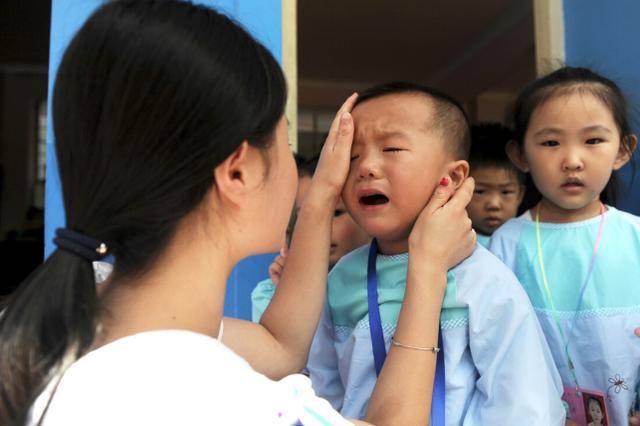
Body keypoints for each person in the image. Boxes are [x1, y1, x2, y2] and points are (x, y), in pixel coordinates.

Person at [0, 2, 476, 425]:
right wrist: (427, 267)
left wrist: (318, 202)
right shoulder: (226, 401)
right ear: (239, 173)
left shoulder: (79, 310)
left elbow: (280, 347)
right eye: (287, 144)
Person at [306, 81, 565, 425]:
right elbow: (324, 384)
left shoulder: (482, 277)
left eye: (392, 149)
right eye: (352, 155)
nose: (366, 166)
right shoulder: (342, 278)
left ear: (453, 176)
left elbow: (524, 400)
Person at [489, 66, 640, 426]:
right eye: (551, 142)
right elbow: (493, 348)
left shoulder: (635, 236)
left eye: (593, 141)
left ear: (623, 150)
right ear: (520, 155)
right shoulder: (506, 244)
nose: (572, 160)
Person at [252, 156, 370, 322]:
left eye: (336, 213)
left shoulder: (390, 287)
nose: (320, 226)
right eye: (306, 215)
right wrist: (291, 294)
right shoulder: (270, 295)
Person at [465, 123, 525, 247]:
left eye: (506, 192)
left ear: (520, 195)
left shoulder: (527, 241)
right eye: (480, 191)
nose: (494, 205)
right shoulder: (453, 244)